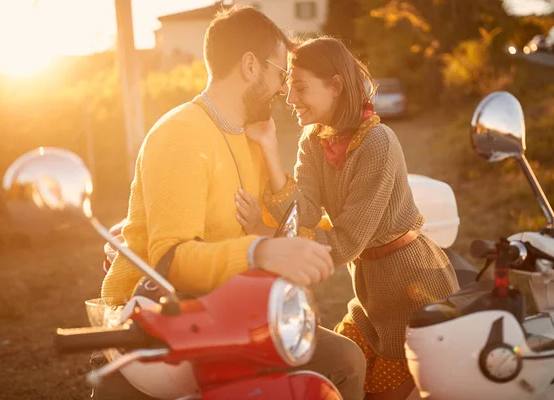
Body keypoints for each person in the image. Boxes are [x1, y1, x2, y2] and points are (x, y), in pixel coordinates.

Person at [95, 7, 366, 400]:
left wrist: (271, 154)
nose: (283, 88)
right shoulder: (180, 134)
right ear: (251, 66)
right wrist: (261, 251)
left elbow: (283, 223)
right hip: (158, 324)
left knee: (344, 360)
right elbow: (171, 260)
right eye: (280, 73)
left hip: (232, 313)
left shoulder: (251, 136)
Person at [236, 36, 460, 400]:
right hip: (370, 293)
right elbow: (304, 211)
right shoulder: (312, 140)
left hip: (413, 294)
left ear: (335, 86)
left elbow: (344, 244)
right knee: (337, 376)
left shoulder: (378, 144)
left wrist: (266, 235)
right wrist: (269, 149)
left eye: (301, 88)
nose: (290, 99)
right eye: (289, 87)